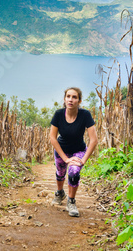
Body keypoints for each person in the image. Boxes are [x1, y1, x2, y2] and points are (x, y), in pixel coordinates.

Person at [49, 87, 98, 217]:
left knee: (74, 172)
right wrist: (65, 159)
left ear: (79, 100)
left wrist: (82, 160)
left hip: (79, 150)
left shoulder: (85, 115)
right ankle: (60, 192)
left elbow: (93, 140)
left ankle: (71, 201)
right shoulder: (58, 114)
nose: (71, 99)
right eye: (68, 96)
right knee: (60, 173)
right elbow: (52, 138)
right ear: (64, 99)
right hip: (61, 150)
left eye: (74, 97)